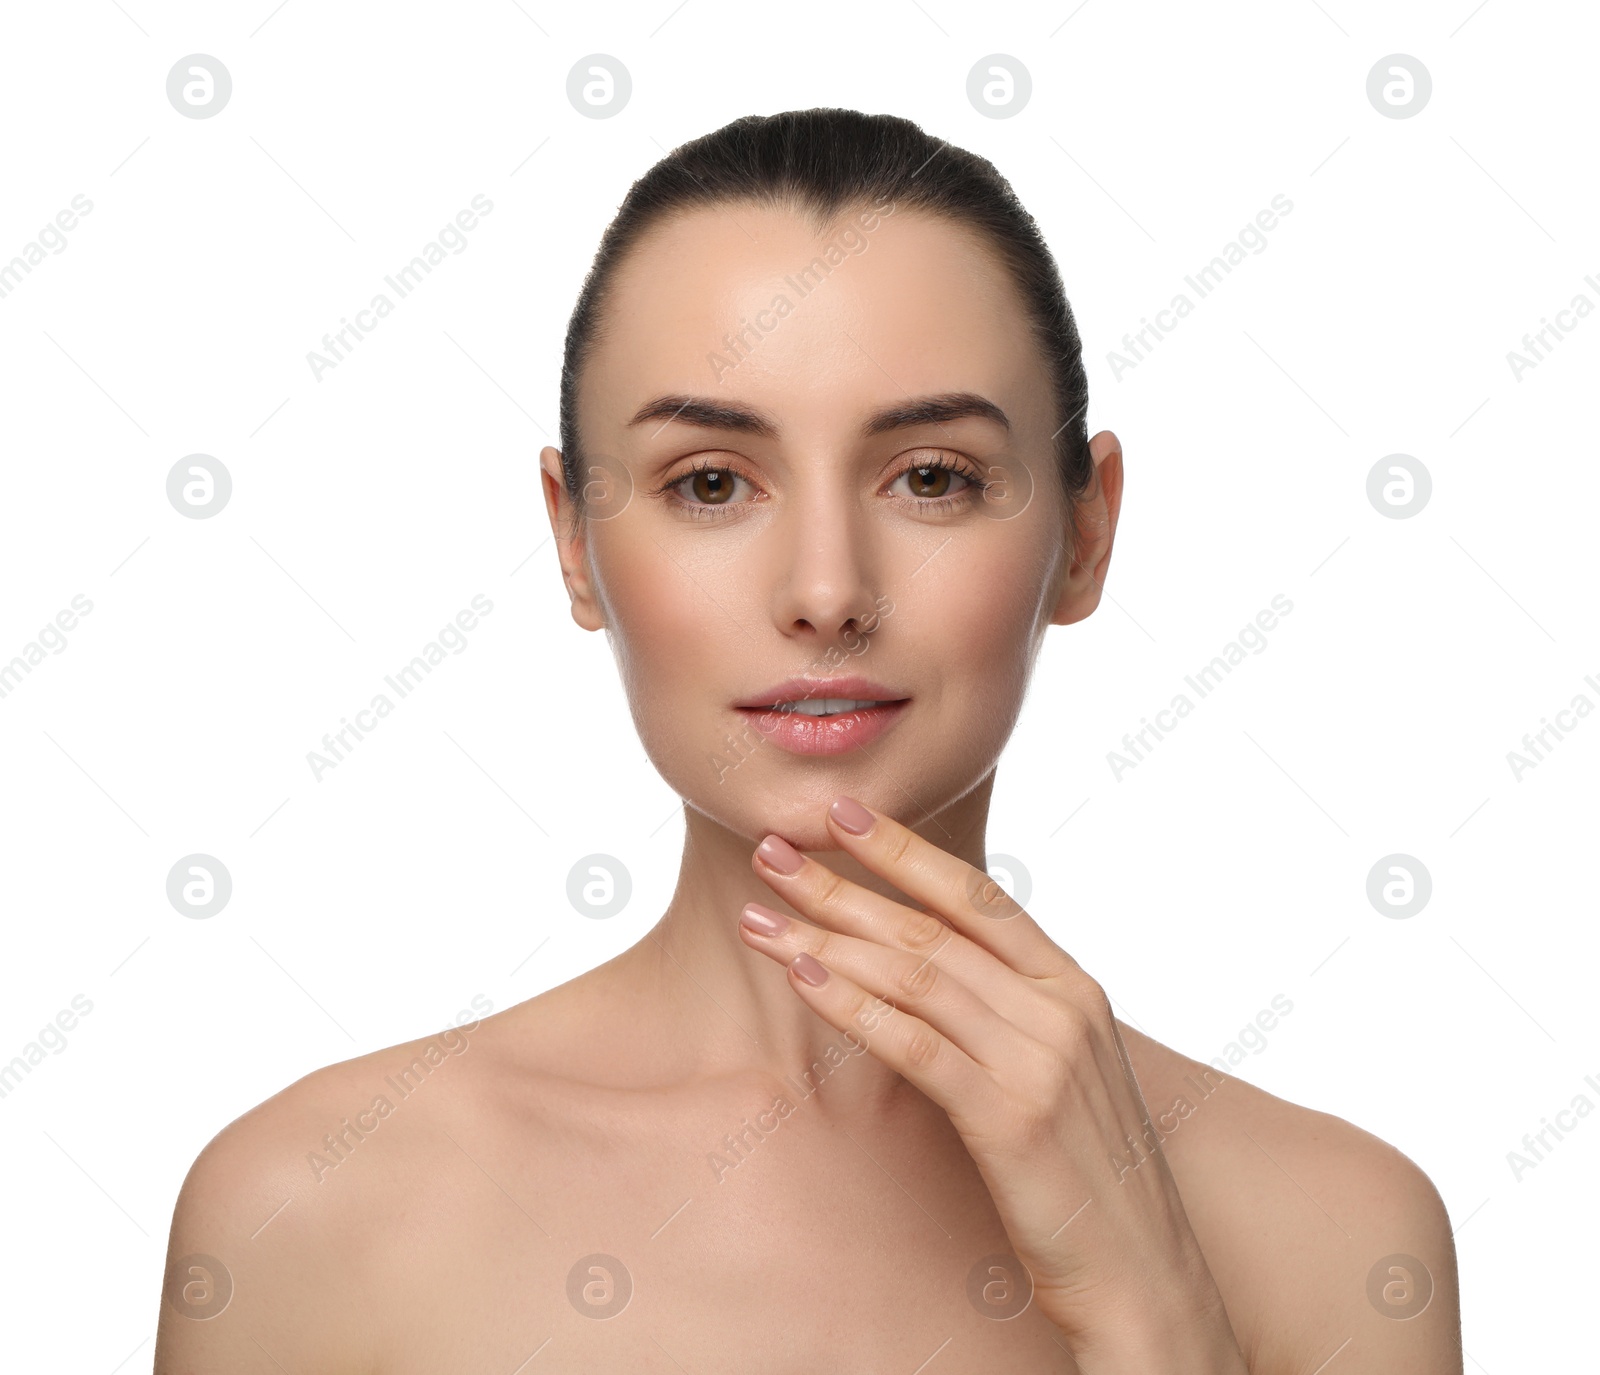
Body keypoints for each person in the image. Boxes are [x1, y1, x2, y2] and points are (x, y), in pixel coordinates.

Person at [155, 108, 1462, 1373]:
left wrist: (1157, 1316)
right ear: (574, 541)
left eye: (932, 476)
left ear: (1088, 531)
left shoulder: (1341, 1239)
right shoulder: (306, 1215)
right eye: (711, 483)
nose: (826, 589)